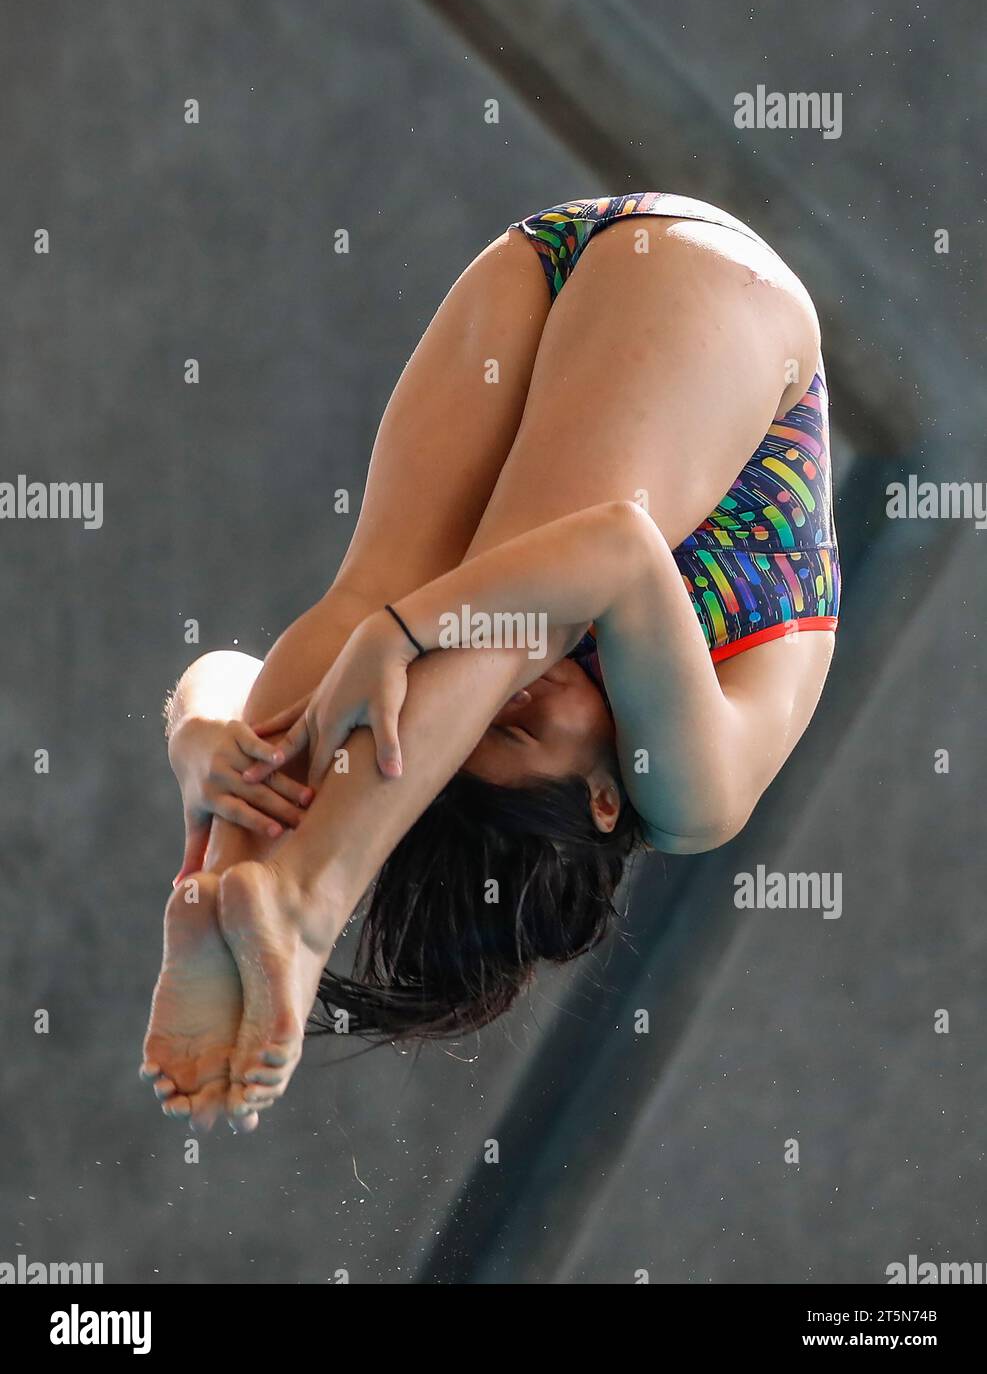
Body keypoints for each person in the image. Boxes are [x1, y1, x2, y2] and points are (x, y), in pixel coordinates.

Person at [141, 193, 840, 1132]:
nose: (511, 700)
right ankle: (302, 904)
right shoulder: (690, 793)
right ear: (601, 796)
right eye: (513, 728)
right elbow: (618, 548)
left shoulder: (477, 662)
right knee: (495, 625)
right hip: (706, 287)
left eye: (467, 726)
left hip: (540, 261)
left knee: (362, 602)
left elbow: (232, 667)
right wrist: (402, 633)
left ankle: (232, 883)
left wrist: (202, 743)